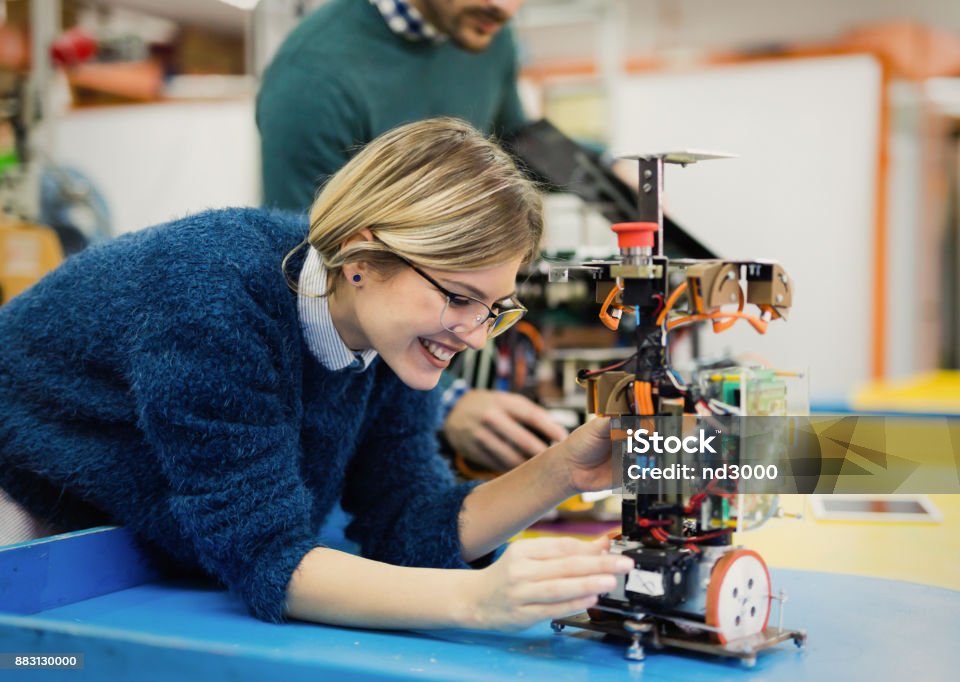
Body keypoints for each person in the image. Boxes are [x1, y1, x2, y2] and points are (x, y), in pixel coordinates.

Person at [0, 118, 633, 628]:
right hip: (24, 497)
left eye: (494, 308)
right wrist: (476, 601)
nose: (473, 333)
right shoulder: (214, 298)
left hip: (132, 526)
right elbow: (267, 559)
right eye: (459, 298)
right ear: (361, 257)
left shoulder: (390, 334)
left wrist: (563, 471)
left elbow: (406, 521)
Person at [257, 0, 567, 470]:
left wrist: (612, 176)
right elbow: (319, 269)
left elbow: (519, 147)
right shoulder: (312, 77)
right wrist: (447, 401)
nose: (506, 8)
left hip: (417, 354)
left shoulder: (484, 29)